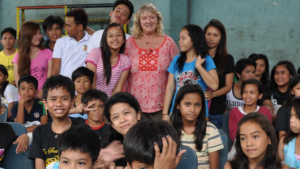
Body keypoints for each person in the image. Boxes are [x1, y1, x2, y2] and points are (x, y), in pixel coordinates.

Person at [125, 3, 180, 121]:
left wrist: (171, 101)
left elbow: (179, 74)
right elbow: (121, 73)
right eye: (144, 18)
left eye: (152, 17)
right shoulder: (129, 43)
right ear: (139, 22)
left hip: (162, 109)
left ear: (158, 20)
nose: (148, 21)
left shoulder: (169, 43)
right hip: (134, 108)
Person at [163, 24, 218, 121]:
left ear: (194, 39)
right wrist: (165, 113)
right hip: (177, 111)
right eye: (179, 38)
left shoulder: (206, 59)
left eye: (183, 38)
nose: (180, 42)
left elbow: (214, 85)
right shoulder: (176, 60)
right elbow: (170, 87)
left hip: (198, 113)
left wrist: (199, 67)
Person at [28, 75, 82, 169]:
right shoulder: (39, 132)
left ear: (72, 102)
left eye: (64, 98)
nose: (59, 104)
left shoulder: (83, 129)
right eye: (53, 99)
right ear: (45, 104)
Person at [170, 84, 223, 169]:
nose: (192, 110)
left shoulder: (210, 131)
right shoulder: (169, 130)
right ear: (178, 105)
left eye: (197, 105)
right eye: (187, 104)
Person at [224, 113, 288, 169]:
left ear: (269, 139)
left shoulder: (282, 167)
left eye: (255, 136)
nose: (248, 143)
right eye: (243, 138)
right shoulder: (230, 166)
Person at [203, 19, 235, 128]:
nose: (211, 38)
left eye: (215, 35)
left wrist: (212, 94)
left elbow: (228, 86)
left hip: (216, 110)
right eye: (208, 34)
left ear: (222, 37)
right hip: (197, 108)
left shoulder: (227, 59)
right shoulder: (198, 57)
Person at [86, 23, 131, 97]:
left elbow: (118, 89)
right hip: (93, 97)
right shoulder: (95, 53)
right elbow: (90, 82)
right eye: (110, 36)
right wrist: (98, 102)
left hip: (111, 101)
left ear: (123, 40)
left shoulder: (125, 61)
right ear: (105, 39)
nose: (115, 38)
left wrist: (109, 104)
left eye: (118, 35)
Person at [12, 22, 53, 99]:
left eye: (40, 33)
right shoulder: (18, 56)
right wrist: (26, 97)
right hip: (25, 98)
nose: (39, 36)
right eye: (35, 34)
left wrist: (39, 96)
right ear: (27, 35)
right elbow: (18, 81)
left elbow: (49, 78)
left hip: (44, 97)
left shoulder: (48, 53)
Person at [103, 92, 142, 168]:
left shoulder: (153, 140)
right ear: (112, 125)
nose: (122, 120)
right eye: (116, 117)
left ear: (138, 114)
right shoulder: (114, 149)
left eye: (126, 113)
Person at [52, 8, 91, 79]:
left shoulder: (92, 41)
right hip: (65, 87)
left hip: (84, 87)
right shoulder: (60, 42)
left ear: (79, 27)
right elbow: (55, 70)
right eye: (66, 25)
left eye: (69, 26)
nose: (66, 29)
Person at [278, 97, 300, 168]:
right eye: (291, 115)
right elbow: (277, 165)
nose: (291, 120)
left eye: (296, 116)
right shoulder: (285, 140)